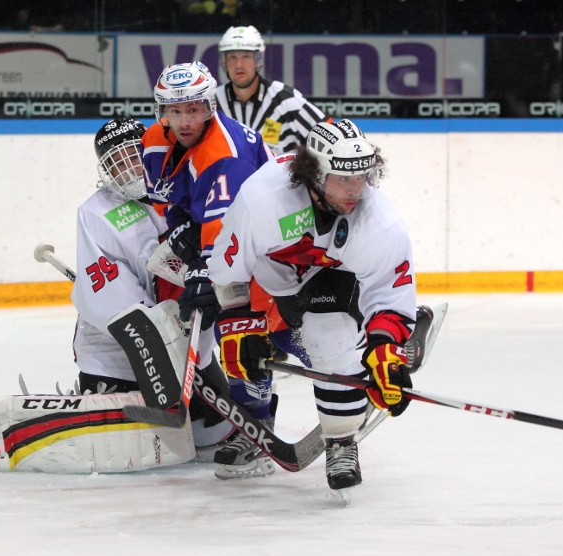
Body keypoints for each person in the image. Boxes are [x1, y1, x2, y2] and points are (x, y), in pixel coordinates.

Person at [0, 118, 232, 473]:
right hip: (118, 355)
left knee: (217, 435)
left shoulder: (181, 189)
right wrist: (165, 346)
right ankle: (4, 436)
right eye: (117, 162)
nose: (128, 169)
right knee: (137, 441)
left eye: (134, 156)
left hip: (185, 344)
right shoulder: (97, 212)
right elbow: (120, 308)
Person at [207, 119, 417, 490]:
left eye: (362, 177)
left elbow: (389, 293)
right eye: (344, 179)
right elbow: (228, 271)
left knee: (330, 339)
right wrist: (240, 323)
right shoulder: (262, 200)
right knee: (242, 351)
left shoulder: (380, 221)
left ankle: (341, 439)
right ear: (314, 174)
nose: (356, 190)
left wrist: (386, 347)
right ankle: (253, 424)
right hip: (269, 279)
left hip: (333, 278)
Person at [141, 60, 276, 478]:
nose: (184, 121)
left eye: (194, 109)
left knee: (244, 330)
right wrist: (180, 225)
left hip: (268, 240)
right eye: (174, 111)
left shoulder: (225, 154)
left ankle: (260, 430)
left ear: (210, 107)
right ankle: (249, 422)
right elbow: (166, 198)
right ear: (162, 110)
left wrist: (202, 268)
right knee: (234, 330)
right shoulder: (153, 139)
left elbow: (225, 233)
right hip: (228, 239)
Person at [215, 25, 326, 154]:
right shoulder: (212, 102)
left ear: (258, 59)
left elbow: (329, 135)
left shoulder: (285, 99)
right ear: (224, 61)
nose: (239, 65)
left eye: (246, 56)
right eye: (232, 57)